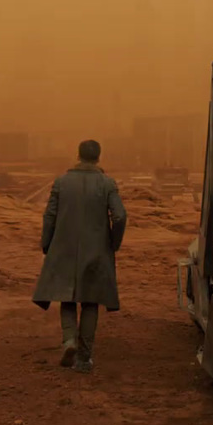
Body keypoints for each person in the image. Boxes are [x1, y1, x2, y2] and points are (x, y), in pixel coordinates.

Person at [31, 139, 127, 373]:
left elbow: (49, 216)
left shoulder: (62, 182)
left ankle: (69, 341)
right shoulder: (107, 183)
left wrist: (47, 243)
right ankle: (84, 358)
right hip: (96, 250)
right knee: (91, 301)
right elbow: (120, 216)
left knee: (67, 298)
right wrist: (112, 244)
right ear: (98, 157)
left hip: (63, 248)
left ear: (79, 155)